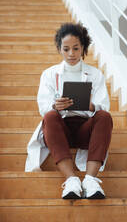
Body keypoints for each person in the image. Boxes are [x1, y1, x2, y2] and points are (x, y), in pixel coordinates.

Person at [25, 23, 113, 199]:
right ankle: (71, 180)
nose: (71, 54)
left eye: (76, 48)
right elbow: (43, 106)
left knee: (104, 116)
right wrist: (55, 105)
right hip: (60, 128)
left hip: (85, 128)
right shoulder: (49, 74)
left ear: (83, 48)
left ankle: (90, 180)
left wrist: (91, 106)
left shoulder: (95, 75)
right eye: (66, 49)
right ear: (60, 49)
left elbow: (104, 105)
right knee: (50, 116)